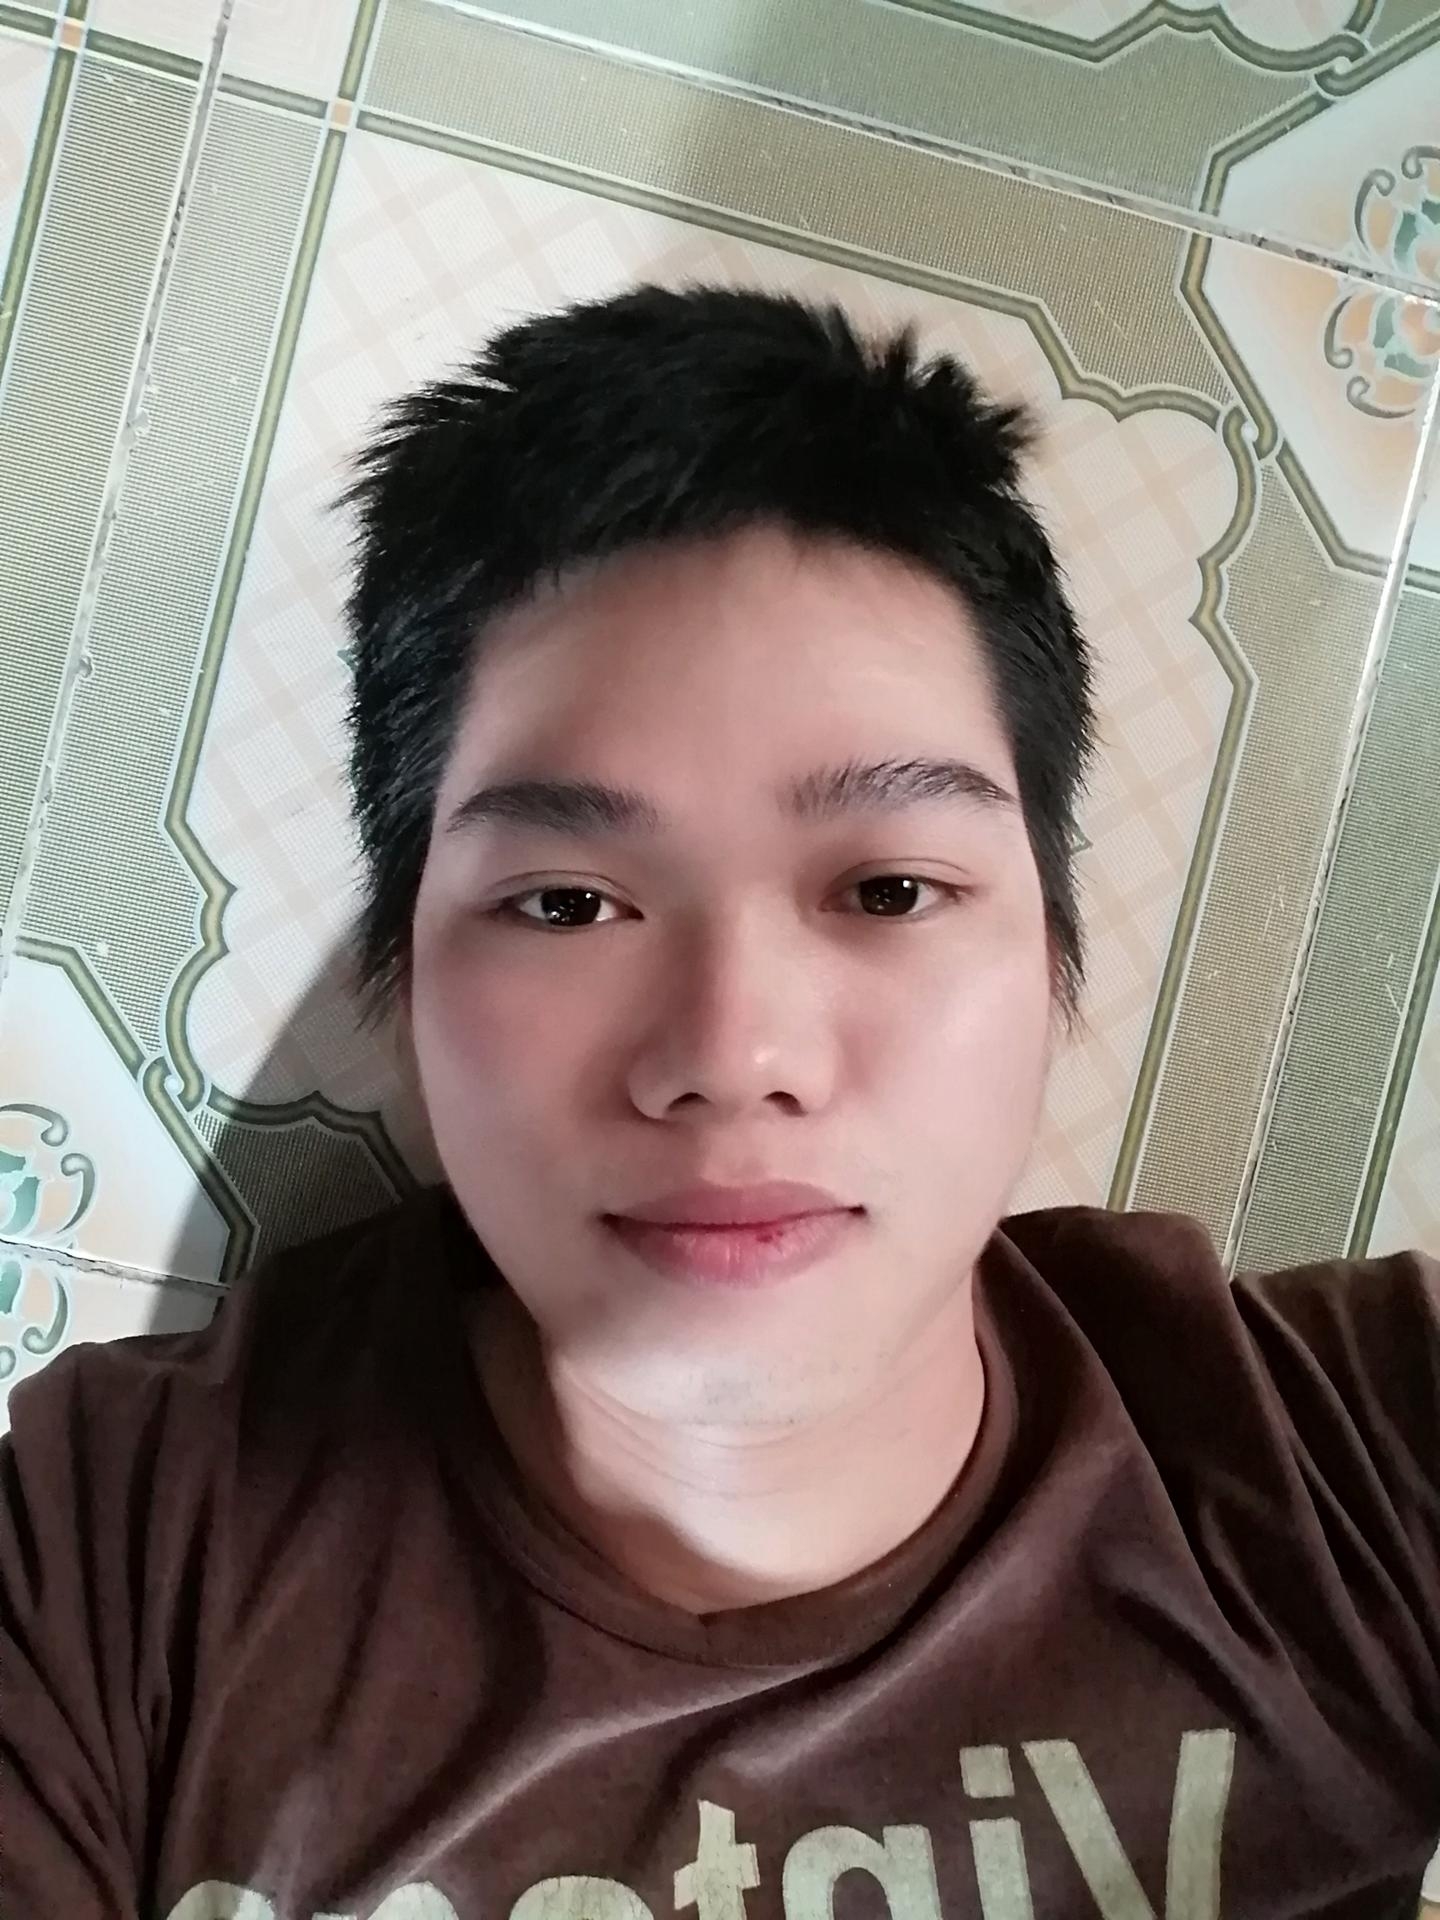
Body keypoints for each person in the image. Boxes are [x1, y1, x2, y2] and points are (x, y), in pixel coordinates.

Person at [2, 285, 1437, 1920]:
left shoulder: (1356, 1465)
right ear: (397, 984)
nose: (735, 1051)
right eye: (566, 903)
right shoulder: (105, 1553)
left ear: (1054, 957)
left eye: (889, 889)